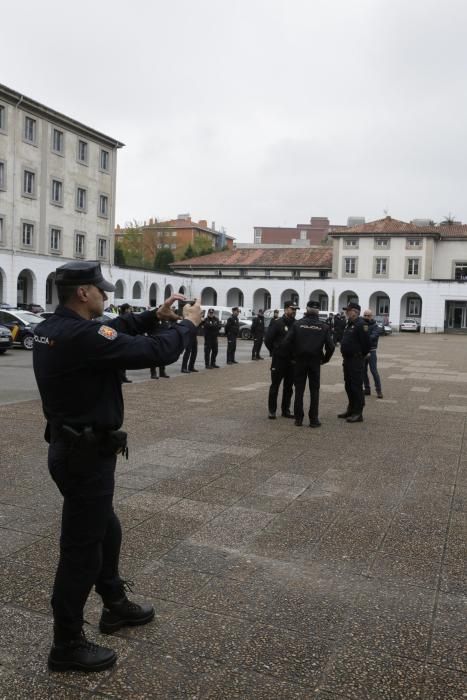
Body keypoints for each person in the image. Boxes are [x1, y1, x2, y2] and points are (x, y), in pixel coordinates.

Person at [32, 261, 201, 672]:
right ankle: (66, 643)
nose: (107, 296)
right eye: (101, 290)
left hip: (72, 449)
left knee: (107, 529)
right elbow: (156, 351)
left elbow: (112, 332)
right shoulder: (81, 335)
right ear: (83, 294)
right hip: (84, 456)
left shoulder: (53, 328)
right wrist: (187, 325)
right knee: (81, 552)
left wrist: (151, 316)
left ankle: (114, 603)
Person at [283, 301, 334, 427]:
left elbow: (286, 343)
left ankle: (298, 419)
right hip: (315, 361)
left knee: (299, 390)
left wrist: (292, 357)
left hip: (300, 360)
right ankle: (313, 419)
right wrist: (325, 359)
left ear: (307, 309)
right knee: (314, 391)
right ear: (318, 311)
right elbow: (331, 347)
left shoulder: (297, 324)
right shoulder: (323, 326)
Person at [338, 301, 371, 423]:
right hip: (347, 359)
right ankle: (351, 409)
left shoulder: (361, 324)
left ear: (354, 312)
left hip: (356, 360)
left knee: (356, 386)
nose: (346, 312)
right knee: (348, 385)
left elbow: (367, 344)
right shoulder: (349, 323)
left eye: (348, 310)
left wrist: (359, 355)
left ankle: (358, 412)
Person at [264, 300, 298, 419]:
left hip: (292, 361)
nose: (294, 311)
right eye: (292, 309)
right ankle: (272, 410)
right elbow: (268, 339)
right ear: (286, 309)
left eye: (295, 309)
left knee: (289, 387)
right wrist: (274, 351)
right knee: (275, 386)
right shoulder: (277, 323)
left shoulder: (296, 324)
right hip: (279, 360)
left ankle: (286, 410)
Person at [362, 309, 383, 398]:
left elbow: (373, 336)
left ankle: (379, 390)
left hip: (372, 351)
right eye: (365, 315)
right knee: (363, 371)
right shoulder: (361, 324)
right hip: (363, 351)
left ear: (372, 316)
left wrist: (363, 338)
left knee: (374, 371)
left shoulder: (375, 326)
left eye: (368, 315)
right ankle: (367, 389)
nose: (366, 317)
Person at [118, 304, 132, 383]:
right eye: (129, 309)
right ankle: (120, 378)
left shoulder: (126, 317)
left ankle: (123, 377)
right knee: (120, 361)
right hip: (121, 340)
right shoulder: (122, 318)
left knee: (124, 361)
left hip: (126, 340)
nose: (130, 311)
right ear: (126, 310)